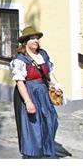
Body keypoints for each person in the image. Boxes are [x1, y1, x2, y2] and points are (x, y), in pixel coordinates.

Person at [10, 26, 62, 158]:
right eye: (32, 38)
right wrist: (28, 102)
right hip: (28, 92)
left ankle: (46, 149)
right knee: (33, 125)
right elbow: (20, 82)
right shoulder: (20, 59)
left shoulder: (43, 55)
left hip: (43, 92)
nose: (36, 41)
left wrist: (56, 85)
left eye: (37, 38)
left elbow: (49, 73)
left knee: (51, 119)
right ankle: (32, 154)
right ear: (25, 42)